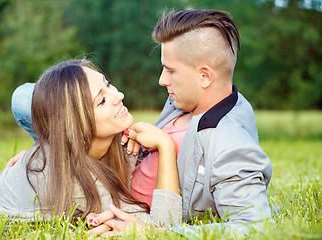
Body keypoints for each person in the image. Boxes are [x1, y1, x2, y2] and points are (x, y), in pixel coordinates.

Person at [88, 9, 273, 236]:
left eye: (170, 70)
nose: (162, 80)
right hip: (112, 169)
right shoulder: (187, 98)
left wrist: (157, 233)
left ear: (204, 76)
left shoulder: (232, 147)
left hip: (124, 202)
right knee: (36, 99)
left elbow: (255, 226)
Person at [0, 59, 182, 228]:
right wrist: (165, 145)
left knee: (24, 98)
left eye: (109, 84)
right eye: (102, 100)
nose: (119, 95)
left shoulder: (113, 142)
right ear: (77, 125)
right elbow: (163, 227)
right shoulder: (74, 178)